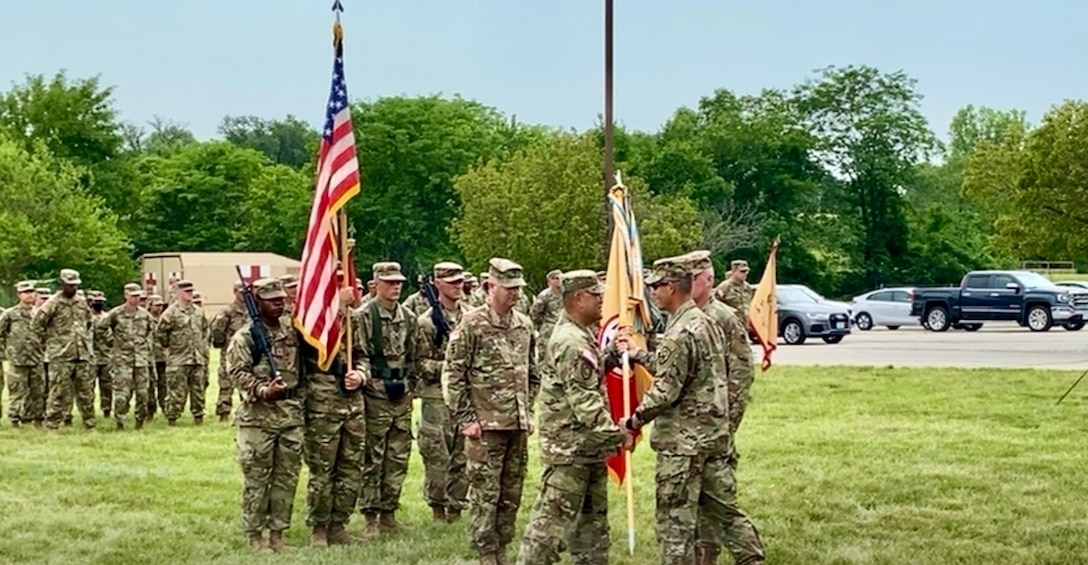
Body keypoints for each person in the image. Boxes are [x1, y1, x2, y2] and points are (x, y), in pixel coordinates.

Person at [619, 255, 765, 565]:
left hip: (683, 445)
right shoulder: (703, 322)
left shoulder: (681, 330)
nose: (653, 293)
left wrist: (633, 421)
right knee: (725, 512)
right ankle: (752, 559)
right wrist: (639, 355)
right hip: (711, 439)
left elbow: (665, 391)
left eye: (656, 287)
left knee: (674, 524)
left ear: (671, 288)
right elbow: (679, 366)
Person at [516, 270, 632, 565]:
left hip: (587, 448)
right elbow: (585, 403)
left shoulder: (580, 335)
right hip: (571, 450)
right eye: (596, 295)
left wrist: (611, 355)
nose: (602, 300)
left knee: (592, 530)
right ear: (578, 298)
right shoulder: (572, 341)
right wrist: (619, 434)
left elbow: (586, 379)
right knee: (549, 530)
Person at [442, 257, 540, 565]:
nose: (514, 294)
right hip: (485, 426)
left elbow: (533, 373)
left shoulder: (524, 324)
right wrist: (466, 419)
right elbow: (454, 374)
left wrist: (528, 409)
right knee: (486, 493)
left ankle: (502, 547)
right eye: (508, 288)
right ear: (491, 286)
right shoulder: (472, 323)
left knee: (511, 491)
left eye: (518, 288)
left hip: (517, 424)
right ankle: (486, 552)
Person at [227, 278, 304, 554]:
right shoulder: (246, 336)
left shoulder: (293, 330)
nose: (279, 303)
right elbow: (236, 371)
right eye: (272, 299)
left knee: (287, 477)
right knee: (257, 478)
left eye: (281, 298)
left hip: (290, 415)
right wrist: (261, 389)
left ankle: (278, 534)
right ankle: (254, 535)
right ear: (257, 303)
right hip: (258, 418)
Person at [354, 262, 417, 537]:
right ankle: (371, 516)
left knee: (398, 454)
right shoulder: (364, 316)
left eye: (399, 282)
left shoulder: (409, 317)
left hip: (401, 393)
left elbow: (414, 355)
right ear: (376, 283)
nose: (396, 286)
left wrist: (409, 386)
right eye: (390, 282)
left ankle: (389, 511)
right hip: (375, 393)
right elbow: (360, 353)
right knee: (373, 455)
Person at [302, 285, 367, 548]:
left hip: (352, 404)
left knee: (351, 468)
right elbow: (309, 353)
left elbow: (363, 355)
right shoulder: (309, 318)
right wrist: (336, 308)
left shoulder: (354, 320)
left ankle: (339, 523)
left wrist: (361, 374)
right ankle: (318, 527)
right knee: (323, 469)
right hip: (323, 403)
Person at [415, 262, 469, 523]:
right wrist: (450, 366)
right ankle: (438, 508)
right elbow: (420, 364)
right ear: (437, 284)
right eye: (451, 282)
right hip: (436, 396)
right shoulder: (426, 323)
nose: (457, 286)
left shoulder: (470, 317)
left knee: (463, 454)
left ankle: (457, 507)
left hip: (464, 397)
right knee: (436, 454)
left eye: (460, 281)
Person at [33, 269, 96, 431]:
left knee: (86, 393)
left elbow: (89, 322)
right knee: (58, 392)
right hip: (61, 356)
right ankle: (52, 425)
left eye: (75, 285)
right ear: (62, 284)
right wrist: (52, 340)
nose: (73, 288)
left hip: (82, 355)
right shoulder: (53, 303)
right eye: (69, 285)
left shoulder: (81, 302)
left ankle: (90, 425)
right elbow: (36, 325)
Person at [99, 284, 155, 430]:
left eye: (138, 296)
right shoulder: (116, 313)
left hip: (141, 360)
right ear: (126, 295)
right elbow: (100, 329)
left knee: (143, 394)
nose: (136, 299)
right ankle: (120, 421)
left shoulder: (144, 315)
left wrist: (144, 347)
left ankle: (139, 421)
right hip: (122, 361)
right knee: (122, 394)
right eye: (133, 296)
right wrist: (111, 342)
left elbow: (152, 332)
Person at [156, 280, 208, 426]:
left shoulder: (198, 312)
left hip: (196, 358)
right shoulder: (170, 313)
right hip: (178, 358)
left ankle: (198, 417)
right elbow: (161, 334)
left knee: (198, 390)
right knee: (176, 392)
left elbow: (204, 330)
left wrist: (200, 348)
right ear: (178, 292)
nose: (190, 294)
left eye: (191, 291)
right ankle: (172, 418)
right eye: (186, 291)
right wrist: (173, 348)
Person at [0, 281, 45, 427]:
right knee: (17, 391)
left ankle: (37, 418)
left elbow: (46, 333)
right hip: (17, 359)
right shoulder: (10, 314)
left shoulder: (39, 313)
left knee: (38, 391)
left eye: (32, 292)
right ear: (19, 294)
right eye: (26, 292)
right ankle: (14, 418)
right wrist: (6, 350)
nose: (30, 295)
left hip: (36, 358)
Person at [211, 282, 249, 422]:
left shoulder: (253, 310)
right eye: (241, 292)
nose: (244, 295)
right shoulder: (227, 311)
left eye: (246, 292)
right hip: (230, 353)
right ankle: (223, 412)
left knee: (246, 383)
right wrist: (223, 345)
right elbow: (217, 330)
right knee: (226, 384)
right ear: (234, 292)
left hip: (247, 354)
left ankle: (246, 412)